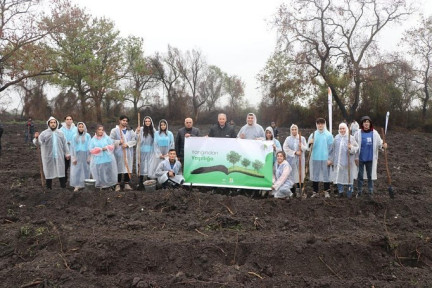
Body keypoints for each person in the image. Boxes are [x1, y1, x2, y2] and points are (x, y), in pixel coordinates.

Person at [353, 116, 387, 198]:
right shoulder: (358, 133)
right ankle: (360, 191)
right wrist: (355, 157)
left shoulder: (374, 133)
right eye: (364, 122)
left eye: (368, 122)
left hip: (370, 158)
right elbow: (354, 145)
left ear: (370, 123)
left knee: (370, 176)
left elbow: (380, 144)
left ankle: (370, 191)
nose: (366, 124)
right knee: (360, 176)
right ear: (362, 124)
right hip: (360, 159)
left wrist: (383, 145)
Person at [33, 116, 70, 189]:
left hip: (59, 155)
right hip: (48, 156)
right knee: (48, 171)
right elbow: (39, 143)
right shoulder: (44, 133)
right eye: (51, 123)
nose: (53, 124)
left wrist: (67, 153)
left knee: (61, 171)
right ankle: (49, 188)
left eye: (54, 122)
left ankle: (63, 187)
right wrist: (36, 138)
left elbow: (64, 144)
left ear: (56, 124)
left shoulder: (60, 133)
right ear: (48, 124)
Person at [329, 122, 359, 198]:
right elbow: (333, 149)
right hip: (338, 162)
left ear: (346, 129)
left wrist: (351, 147)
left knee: (349, 177)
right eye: (340, 129)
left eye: (343, 128)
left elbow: (356, 148)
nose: (342, 130)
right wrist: (331, 159)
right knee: (339, 177)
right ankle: (340, 191)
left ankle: (349, 192)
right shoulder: (336, 137)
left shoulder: (351, 138)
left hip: (348, 163)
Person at [308, 118, 334, 198]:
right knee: (315, 174)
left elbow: (331, 148)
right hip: (316, 157)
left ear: (324, 124)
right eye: (318, 124)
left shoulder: (329, 135)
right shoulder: (313, 134)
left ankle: (326, 191)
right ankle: (315, 191)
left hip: (325, 158)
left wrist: (330, 159)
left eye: (322, 123)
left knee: (326, 175)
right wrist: (310, 143)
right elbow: (308, 147)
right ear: (316, 125)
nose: (320, 125)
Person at [110, 115, 136, 192]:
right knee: (118, 167)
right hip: (118, 153)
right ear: (120, 121)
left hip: (128, 153)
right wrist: (119, 142)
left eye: (126, 121)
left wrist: (127, 144)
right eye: (123, 120)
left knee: (127, 167)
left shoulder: (130, 131)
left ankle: (126, 183)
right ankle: (117, 184)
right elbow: (110, 140)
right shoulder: (114, 130)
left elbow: (134, 140)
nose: (125, 122)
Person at [89, 125, 118, 189]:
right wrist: (99, 149)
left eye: (102, 130)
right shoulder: (93, 140)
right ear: (96, 130)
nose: (101, 131)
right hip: (98, 160)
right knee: (100, 173)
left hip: (108, 159)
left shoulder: (107, 138)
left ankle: (109, 185)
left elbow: (112, 146)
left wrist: (106, 147)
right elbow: (91, 150)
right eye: (99, 129)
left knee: (108, 173)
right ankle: (102, 185)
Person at [283, 124, 308, 198]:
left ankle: (301, 190)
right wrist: (295, 152)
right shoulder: (288, 139)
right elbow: (285, 148)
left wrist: (302, 146)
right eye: (292, 129)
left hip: (300, 160)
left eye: (295, 129)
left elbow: (306, 148)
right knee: (292, 175)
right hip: (291, 160)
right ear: (291, 130)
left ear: (297, 130)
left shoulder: (302, 138)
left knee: (301, 174)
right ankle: (293, 191)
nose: (294, 131)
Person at [70, 122, 91, 192]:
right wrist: (73, 158)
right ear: (77, 128)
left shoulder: (87, 136)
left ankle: (85, 184)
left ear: (84, 128)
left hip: (85, 154)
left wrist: (89, 157)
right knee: (76, 170)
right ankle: (77, 185)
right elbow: (72, 147)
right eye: (79, 127)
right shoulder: (74, 136)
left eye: (82, 127)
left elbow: (90, 146)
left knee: (86, 169)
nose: (81, 128)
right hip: (77, 155)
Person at [135, 116, 156, 189]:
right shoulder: (140, 129)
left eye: (148, 121)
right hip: (141, 151)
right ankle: (140, 182)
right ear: (144, 122)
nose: (147, 122)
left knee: (149, 166)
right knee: (141, 166)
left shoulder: (153, 130)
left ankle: (148, 181)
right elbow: (136, 139)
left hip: (150, 151)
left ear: (151, 122)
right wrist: (137, 133)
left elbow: (155, 140)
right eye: (146, 121)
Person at [60, 115, 77, 183]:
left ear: (72, 120)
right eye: (67, 119)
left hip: (74, 152)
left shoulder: (76, 129)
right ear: (65, 120)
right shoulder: (61, 130)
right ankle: (64, 182)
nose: (69, 120)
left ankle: (74, 181)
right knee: (65, 168)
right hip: (64, 152)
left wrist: (72, 142)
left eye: (70, 119)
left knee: (74, 167)